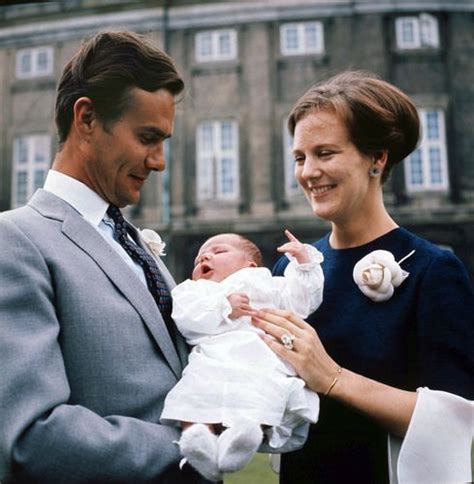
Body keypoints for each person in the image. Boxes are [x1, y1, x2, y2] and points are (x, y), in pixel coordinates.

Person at [0, 31, 209, 483]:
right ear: (87, 118)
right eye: (147, 138)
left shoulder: (131, 241)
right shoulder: (14, 241)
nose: (159, 162)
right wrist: (193, 443)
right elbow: (31, 437)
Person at [252, 71, 474, 483]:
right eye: (300, 157)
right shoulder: (292, 268)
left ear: (377, 156)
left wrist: (332, 377)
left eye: (326, 153)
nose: (309, 172)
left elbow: (454, 421)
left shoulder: (431, 271)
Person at [160, 231, 324, 481]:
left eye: (219, 251)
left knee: (264, 396)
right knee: (193, 395)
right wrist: (225, 306)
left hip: (260, 359)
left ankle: (244, 436)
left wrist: (304, 264)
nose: (205, 256)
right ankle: (197, 440)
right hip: (212, 358)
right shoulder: (194, 290)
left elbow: (302, 303)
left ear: (250, 265)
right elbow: (186, 318)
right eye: (199, 257)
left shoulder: (266, 283)